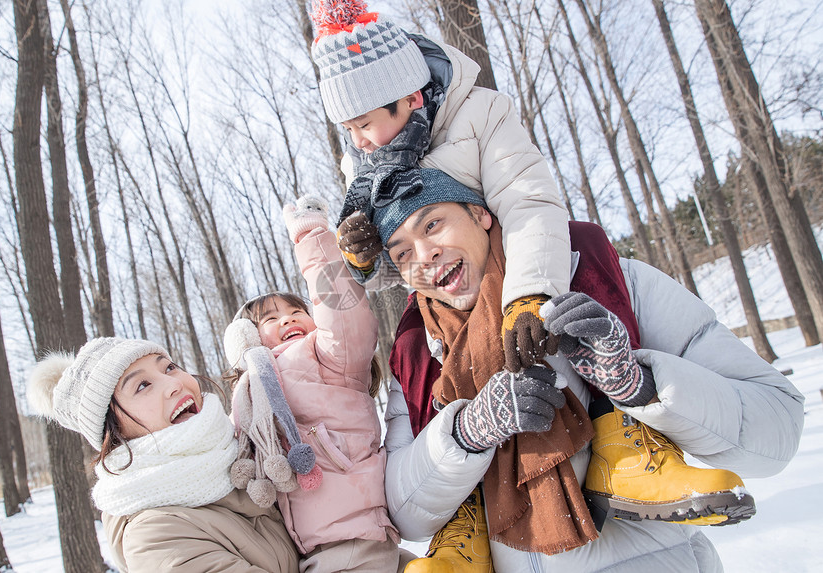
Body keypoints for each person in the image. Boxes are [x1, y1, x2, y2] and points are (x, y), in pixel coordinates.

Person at [374, 169, 804, 571]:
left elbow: (777, 427)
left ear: (481, 214)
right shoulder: (417, 353)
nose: (425, 255)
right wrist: (467, 434)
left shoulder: (608, 283)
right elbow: (406, 514)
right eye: (402, 252)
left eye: (433, 225)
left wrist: (638, 384)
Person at [309, 0, 570, 373]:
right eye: (348, 129)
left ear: (411, 98)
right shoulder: (363, 168)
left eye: (364, 124)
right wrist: (364, 259)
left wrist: (531, 292)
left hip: (509, 271)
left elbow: (527, 201)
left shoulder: (481, 114)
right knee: (412, 348)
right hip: (448, 301)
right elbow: (401, 266)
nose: (359, 142)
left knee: (588, 250)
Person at [222, 197, 413, 573]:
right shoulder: (250, 391)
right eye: (271, 318)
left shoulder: (325, 354)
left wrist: (312, 238)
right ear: (247, 337)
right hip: (309, 547)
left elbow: (344, 318)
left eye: (297, 311)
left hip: (355, 532)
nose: (289, 319)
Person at [26, 337, 300, 573]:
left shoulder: (253, 445)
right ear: (114, 431)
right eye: (142, 386)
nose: (174, 384)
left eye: (169, 367)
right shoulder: (154, 537)